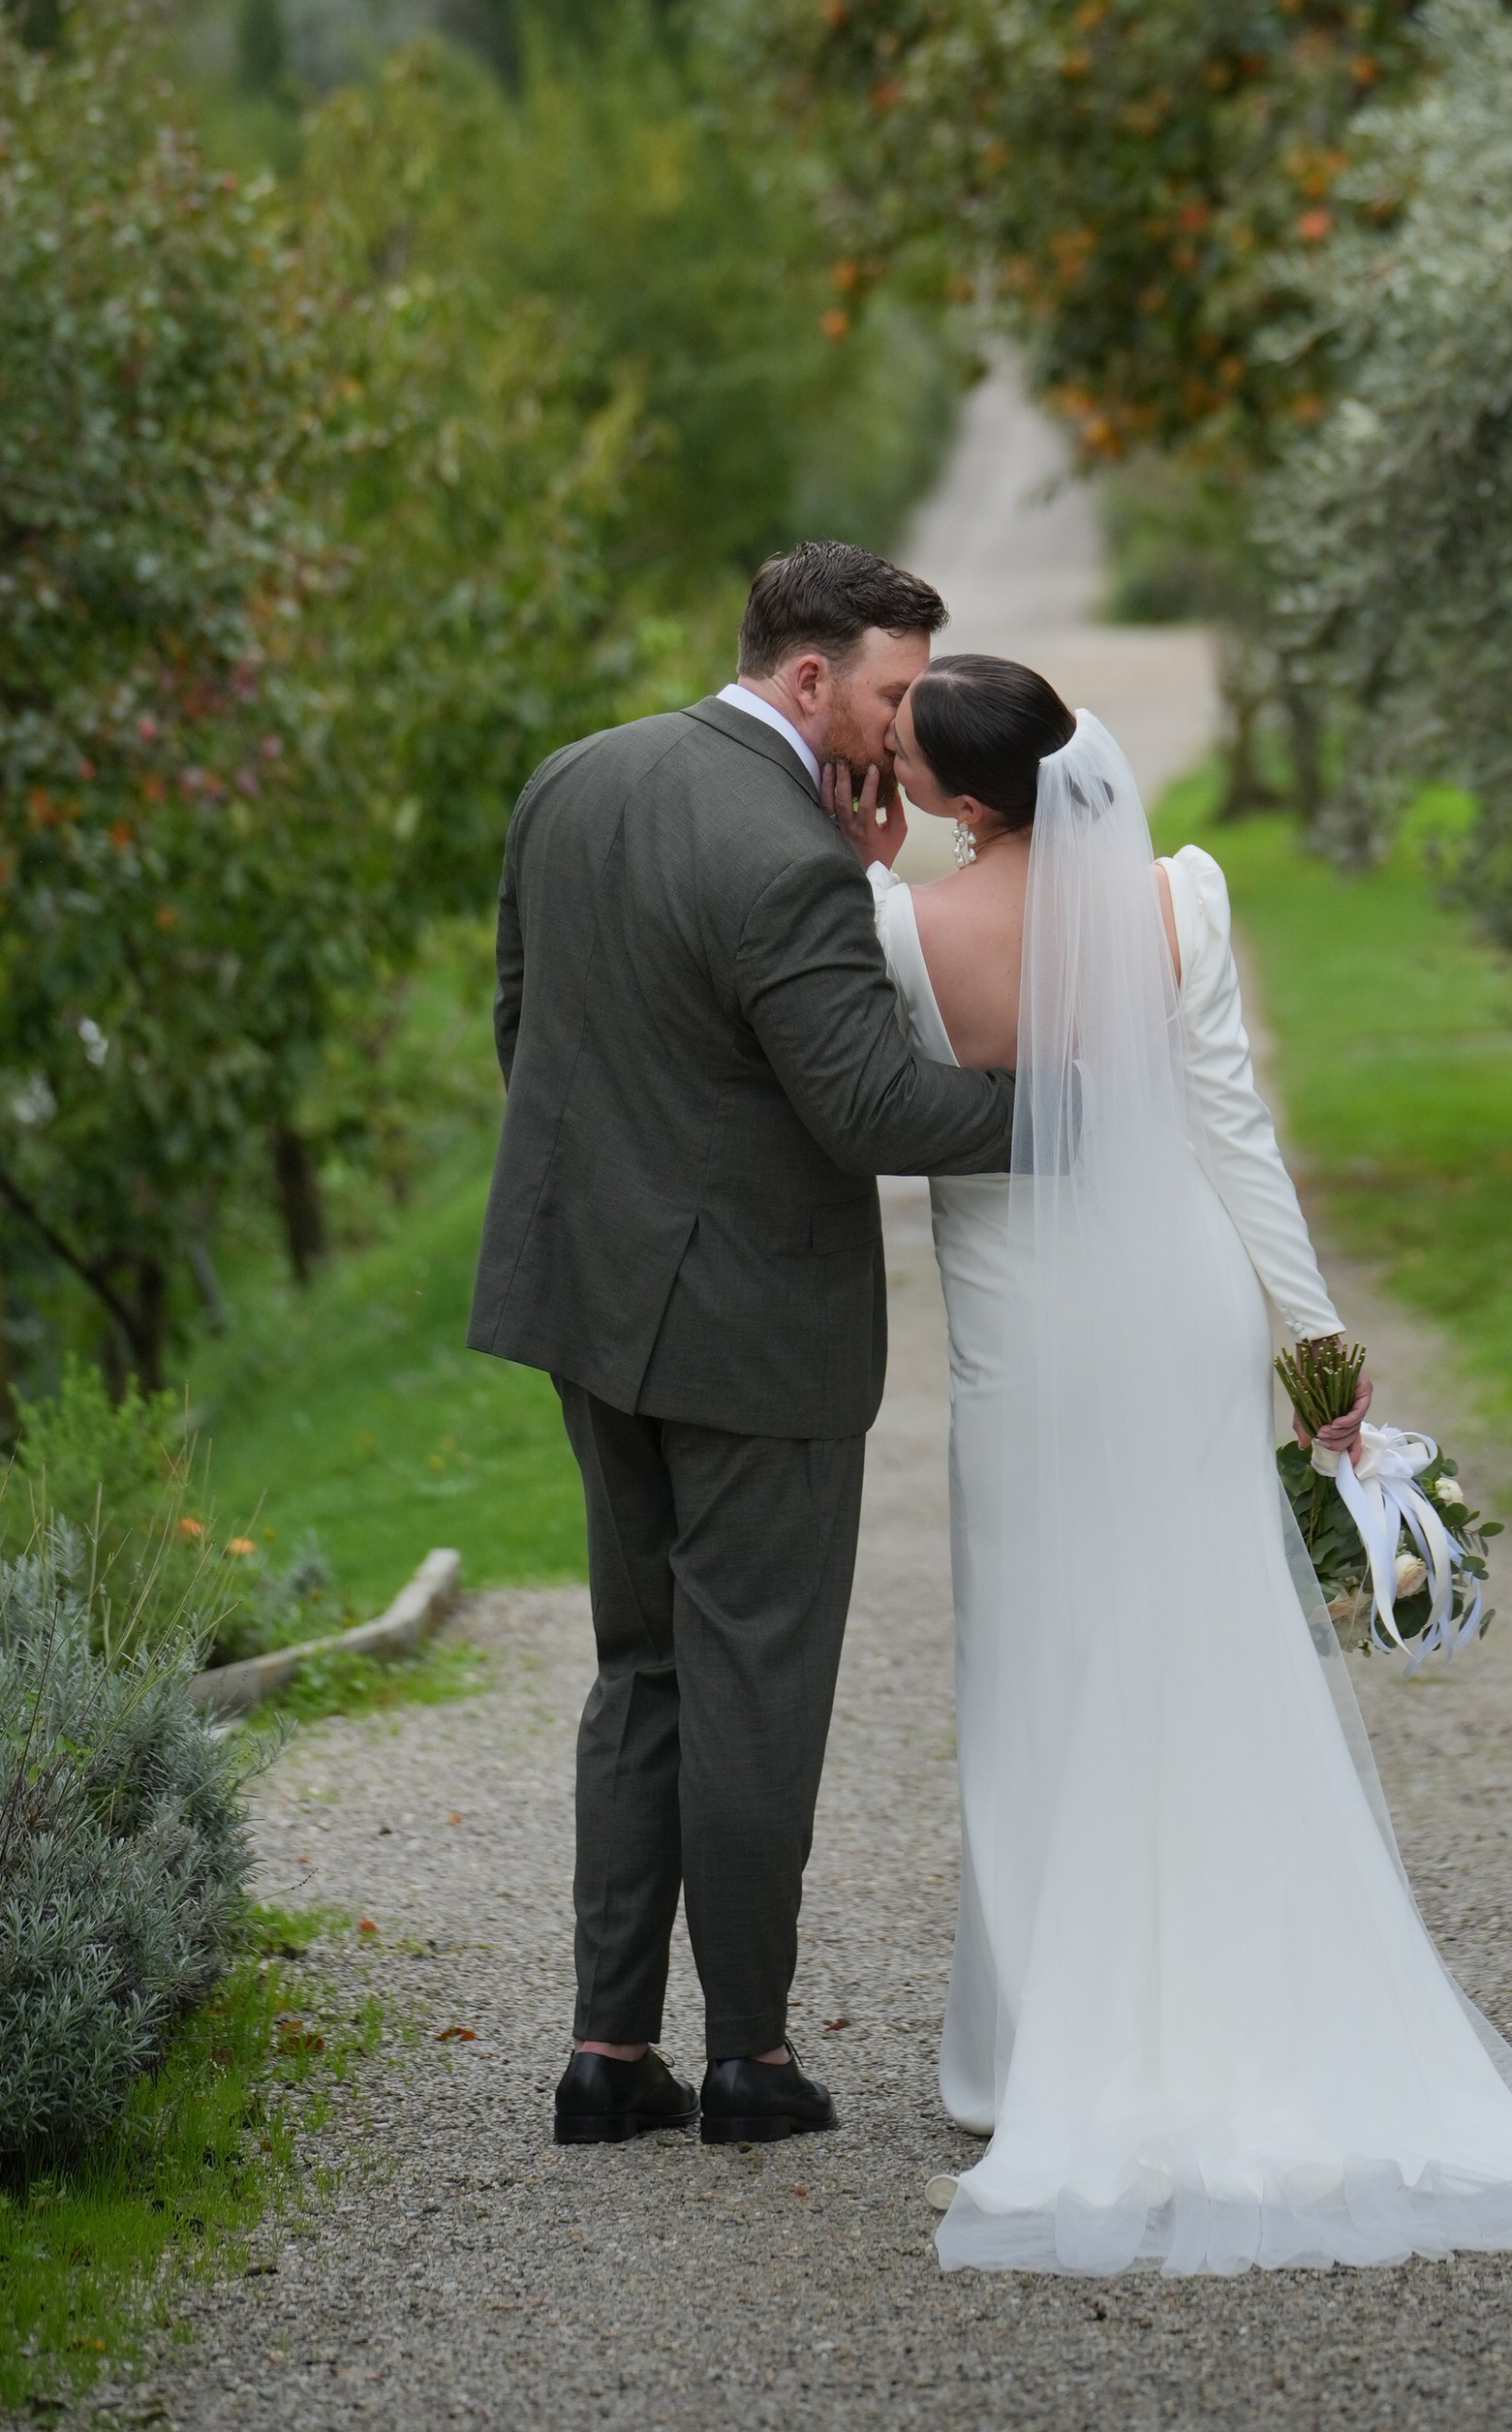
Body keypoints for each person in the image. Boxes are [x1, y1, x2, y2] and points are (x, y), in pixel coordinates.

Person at [848, 655, 1512, 2277]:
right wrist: (1318, 1351)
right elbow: (1232, 1129)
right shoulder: (1182, 898)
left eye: (902, 750)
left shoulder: (903, 932)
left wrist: (861, 856)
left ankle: (1018, 2052)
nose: (882, 760)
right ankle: (1234, 1989)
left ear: (968, 799)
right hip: (1187, 1306)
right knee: (1208, 1634)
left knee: (1035, 1659)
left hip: (1028, 1338)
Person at [470, 542, 1015, 2153]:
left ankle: (603, 2054)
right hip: (749, 1329)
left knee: (640, 1666)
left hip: (586, 1295)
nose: (913, 732)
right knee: (756, 1683)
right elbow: (874, 1107)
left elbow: (526, 1025)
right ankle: (752, 2061)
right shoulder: (784, 855)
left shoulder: (573, 779)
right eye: (897, 694)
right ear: (808, 682)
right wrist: (1095, 1106)